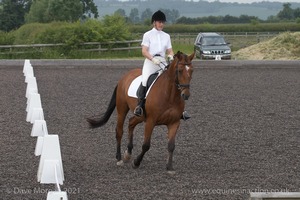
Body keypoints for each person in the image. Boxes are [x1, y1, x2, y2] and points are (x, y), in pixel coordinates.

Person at [133, 10, 190, 120]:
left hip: (163, 61)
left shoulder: (166, 36)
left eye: (163, 22)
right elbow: (144, 51)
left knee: (175, 80)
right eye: (160, 22)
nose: (162, 24)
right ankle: (139, 106)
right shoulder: (147, 35)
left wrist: (171, 57)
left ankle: (180, 109)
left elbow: (170, 50)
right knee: (145, 80)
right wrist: (152, 58)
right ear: (154, 22)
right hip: (151, 61)